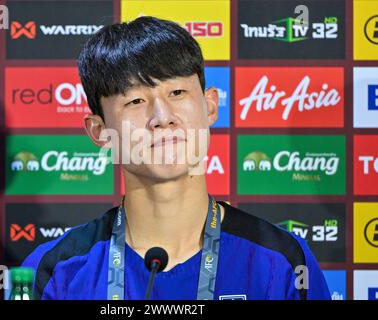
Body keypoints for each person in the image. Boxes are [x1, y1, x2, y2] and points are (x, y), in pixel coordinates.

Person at [22, 16, 331, 300]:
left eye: (178, 93)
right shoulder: (56, 271)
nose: (162, 117)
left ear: (210, 106)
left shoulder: (283, 261)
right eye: (136, 100)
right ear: (100, 131)